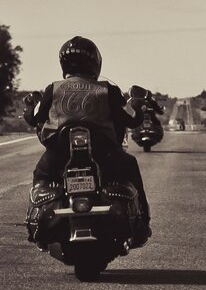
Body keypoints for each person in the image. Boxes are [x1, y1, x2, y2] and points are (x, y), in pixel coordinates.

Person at [23, 36, 152, 246]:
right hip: (105, 155)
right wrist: (137, 106)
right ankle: (143, 223)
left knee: (41, 175)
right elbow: (133, 119)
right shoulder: (107, 89)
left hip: (59, 154)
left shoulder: (53, 89)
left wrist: (29, 107)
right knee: (130, 165)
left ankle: (34, 224)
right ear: (96, 62)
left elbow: (33, 116)